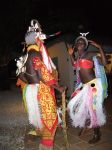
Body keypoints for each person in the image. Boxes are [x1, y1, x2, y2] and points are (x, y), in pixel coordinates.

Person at [16, 20, 66, 150]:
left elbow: (21, 76)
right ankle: (45, 147)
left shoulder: (26, 55)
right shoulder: (35, 54)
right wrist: (57, 87)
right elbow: (43, 74)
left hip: (33, 92)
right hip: (41, 92)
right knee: (50, 120)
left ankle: (41, 137)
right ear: (37, 39)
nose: (43, 42)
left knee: (41, 120)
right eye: (40, 38)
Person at [67, 33, 108, 144]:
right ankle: (86, 125)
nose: (80, 43)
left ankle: (97, 133)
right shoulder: (79, 57)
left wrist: (99, 47)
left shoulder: (89, 54)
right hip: (84, 86)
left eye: (82, 42)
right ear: (75, 45)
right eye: (78, 42)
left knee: (93, 109)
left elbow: (104, 62)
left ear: (85, 45)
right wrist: (71, 55)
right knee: (79, 106)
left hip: (93, 85)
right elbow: (75, 65)